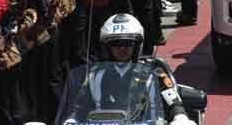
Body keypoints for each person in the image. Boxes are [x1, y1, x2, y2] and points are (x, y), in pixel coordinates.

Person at [57, 13, 194, 125]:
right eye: (116, 43)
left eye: (128, 43)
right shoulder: (94, 75)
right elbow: (79, 107)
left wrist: (180, 116)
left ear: (137, 45)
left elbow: (172, 98)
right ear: (107, 46)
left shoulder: (155, 71)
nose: (122, 48)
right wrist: (70, 119)